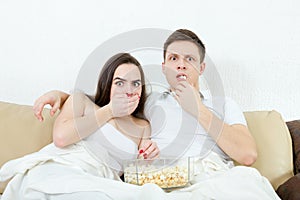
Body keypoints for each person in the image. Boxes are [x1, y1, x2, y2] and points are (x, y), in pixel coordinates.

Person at [32, 29, 281, 199]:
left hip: (211, 179)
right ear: (164, 67)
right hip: (159, 183)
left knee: (246, 184)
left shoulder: (224, 103)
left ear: (202, 67)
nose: (181, 64)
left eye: (190, 59)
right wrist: (63, 96)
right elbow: (105, 100)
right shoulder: (149, 101)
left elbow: (247, 154)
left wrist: (198, 110)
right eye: (174, 58)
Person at [0, 53, 159, 200]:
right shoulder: (81, 101)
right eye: (120, 83)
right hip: (61, 168)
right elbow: (61, 138)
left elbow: (138, 174)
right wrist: (110, 111)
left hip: (100, 182)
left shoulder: (142, 126)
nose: (129, 91)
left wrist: (149, 158)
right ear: (107, 84)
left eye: (135, 84)